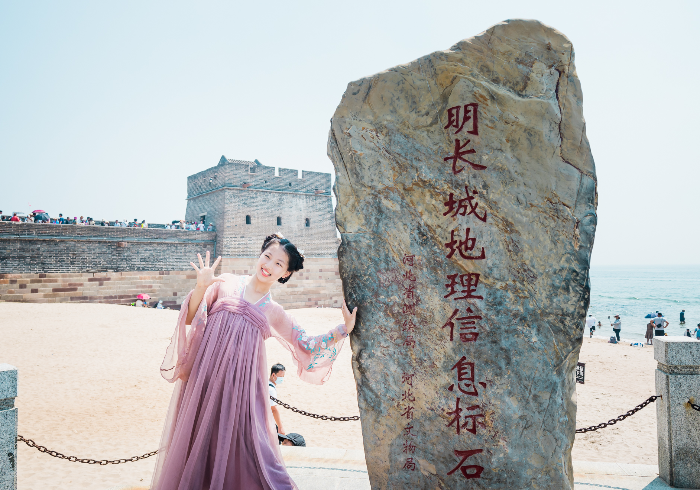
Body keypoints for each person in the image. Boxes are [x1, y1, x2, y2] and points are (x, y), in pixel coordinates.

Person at [151, 235, 357, 490]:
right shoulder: (224, 282)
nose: (269, 265)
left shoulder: (274, 312)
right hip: (204, 378)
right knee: (197, 442)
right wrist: (202, 286)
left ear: (285, 274)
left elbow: (307, 344)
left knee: (242, 448)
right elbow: (191, 318)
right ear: (260, 255)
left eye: (279, 264)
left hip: (238, 390)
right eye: (267, 256)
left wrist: (343, 329)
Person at [269, 363, 287, 435]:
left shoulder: (266, 383)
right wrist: (280, 427)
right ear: (273, 375)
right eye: (281, 376)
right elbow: (273, 409)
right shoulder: (271, 389)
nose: (282, 378)